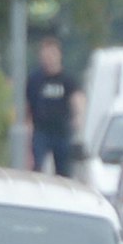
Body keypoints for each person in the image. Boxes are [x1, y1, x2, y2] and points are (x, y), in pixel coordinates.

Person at [24, 35, 83, 178]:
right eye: (45, 55)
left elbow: (77, 98)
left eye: (52, 54)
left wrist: (78, 117)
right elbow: (28, 105)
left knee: (64, 172)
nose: (48, 58)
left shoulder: (67, 79)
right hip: (41, 131)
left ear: (59, 56)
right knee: (36, 168)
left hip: (62, 131)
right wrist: (28, 126)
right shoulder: (35, 79)